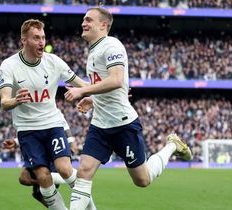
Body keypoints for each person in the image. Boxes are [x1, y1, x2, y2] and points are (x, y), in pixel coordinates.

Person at [64, 7, 193, 209]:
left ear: (103, 25)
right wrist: (94, 100)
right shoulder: (94, 50)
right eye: (83, 20)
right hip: (99, 125)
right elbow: (114, 86)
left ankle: (172, 146)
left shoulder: (112, 46)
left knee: (142, 179)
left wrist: (84, 91)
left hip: (123, 125)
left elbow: (116, 80)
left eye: (88, 19)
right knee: (84, 172)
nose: (83, 23)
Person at [0, 19, 94, 210]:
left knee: (65, 169)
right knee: (42, 176)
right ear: (24, 41)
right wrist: (16, 100)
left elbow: (83, 84)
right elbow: (4, 102)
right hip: (27, 130)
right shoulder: (9, 65)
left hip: (52, 125)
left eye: (43, 37)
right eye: (36, 38)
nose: (42, 42)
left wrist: (110, 91)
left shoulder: (54, 62)